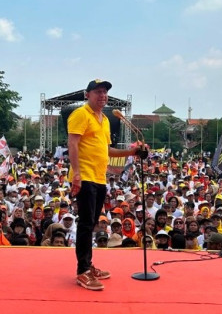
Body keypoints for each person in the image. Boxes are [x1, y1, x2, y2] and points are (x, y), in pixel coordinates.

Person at [67, 79, 145, 291]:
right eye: (98, 92)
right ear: (88, 94)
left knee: (91, 222)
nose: (102, 96)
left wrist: (133, 152)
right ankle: (82, 271)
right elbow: (72, 143)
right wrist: (76, 174)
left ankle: (88, 265)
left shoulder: (106, 119)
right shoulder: (80, 115)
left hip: (99, 177)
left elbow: (107, 151)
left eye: (105, 92)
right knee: (85, 223)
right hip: (85, 177)